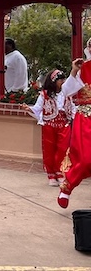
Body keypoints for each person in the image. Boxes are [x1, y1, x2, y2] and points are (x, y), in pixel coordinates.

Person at [25, 69, 73, 186]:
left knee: (63, 149)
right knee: (49, 149)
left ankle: (59, 171)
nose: (63, 82)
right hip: (49, 125)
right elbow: (37, 108)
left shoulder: (67, 93)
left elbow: (72, 108)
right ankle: (51, 174)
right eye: (60, 80)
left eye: (63, 79)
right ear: (53, 81)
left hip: (64, 124)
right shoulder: (44, 95)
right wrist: (28, 109)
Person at [56, 57, 90, 208]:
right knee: (85, 159)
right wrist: (75, 71)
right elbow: (67, 91)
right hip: (86, 118)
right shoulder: (84, 68)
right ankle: (67, 187)